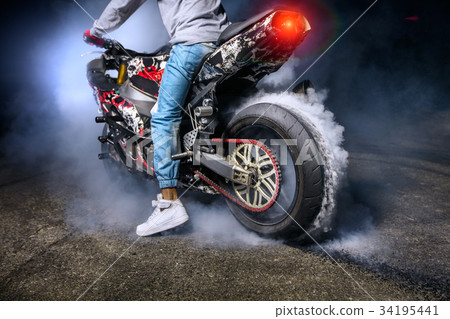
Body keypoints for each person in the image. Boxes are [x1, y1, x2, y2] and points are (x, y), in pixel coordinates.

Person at [83, 0, 230, 236]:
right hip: (224, 40)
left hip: (192, 44)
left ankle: (169, 204)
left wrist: (96, 31)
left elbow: (123, 4)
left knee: (163, 118)